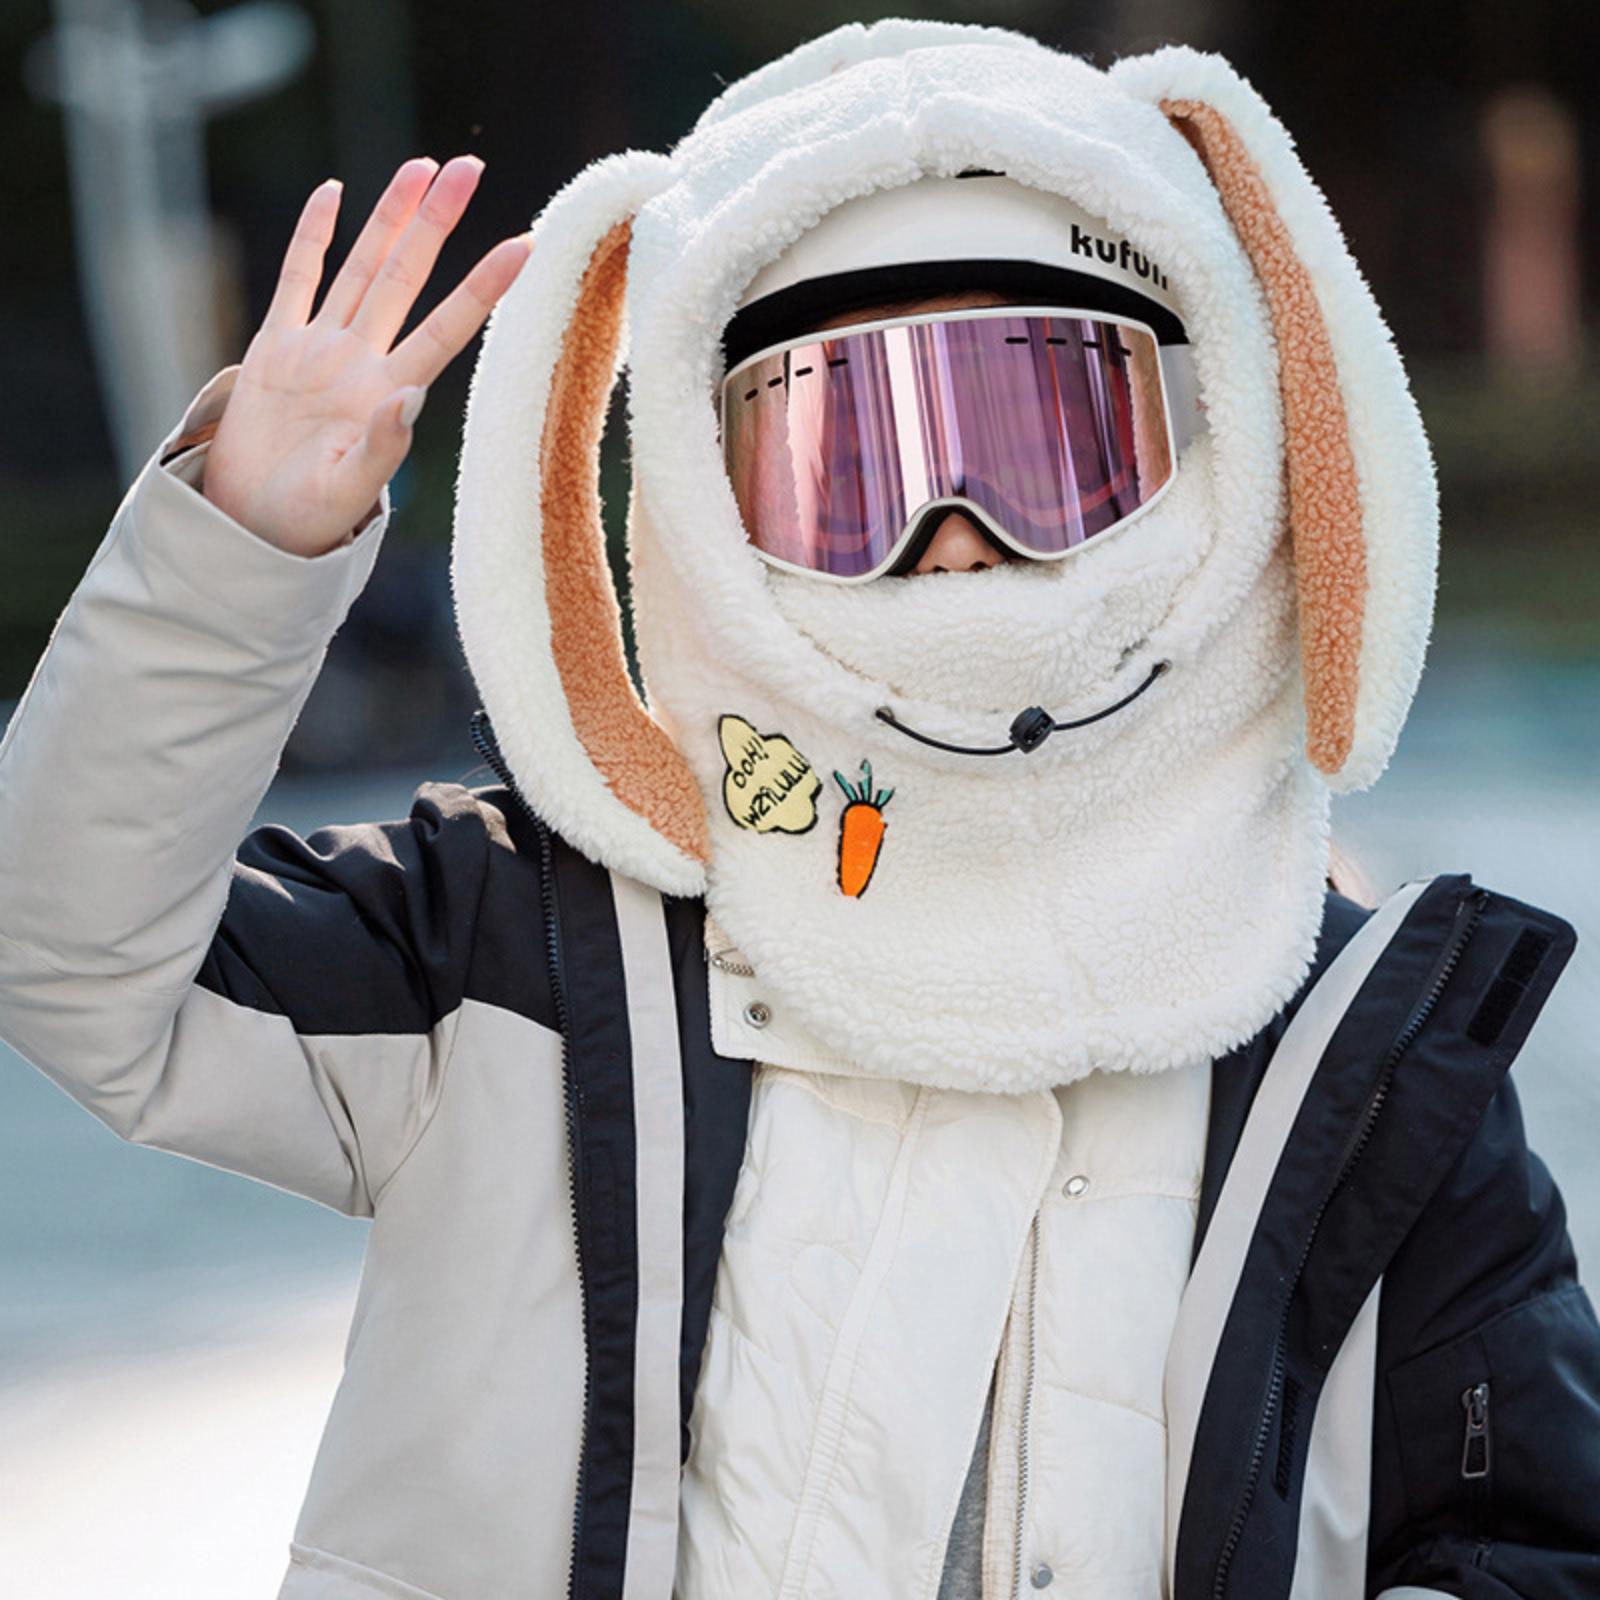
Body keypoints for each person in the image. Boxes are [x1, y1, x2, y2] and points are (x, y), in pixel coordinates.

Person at [2, 18, 1597, 1600]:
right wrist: (237, 552)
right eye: (851, 469)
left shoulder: (1357, 1056)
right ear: (707, 508)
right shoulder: (529, 943)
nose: (955, 536)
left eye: (1046, 444)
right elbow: (71, 958)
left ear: (1214, 443)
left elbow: (1533, 1545)